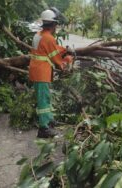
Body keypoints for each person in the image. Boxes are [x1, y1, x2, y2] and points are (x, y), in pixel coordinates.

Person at [29, 8, 73, 138]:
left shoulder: (39, 34)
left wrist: (64, 49)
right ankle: (43, 129)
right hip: (41, 72)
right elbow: (55, 58)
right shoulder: (49, 38)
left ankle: (49, 120)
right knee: (43, 100)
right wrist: (65, 62)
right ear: (53, 24)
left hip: (37, 70)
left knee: (46, 97)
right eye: (56, 24)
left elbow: (50, 48)